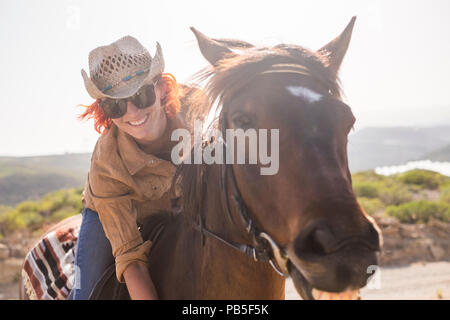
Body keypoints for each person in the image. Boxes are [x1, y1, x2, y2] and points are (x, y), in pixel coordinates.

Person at [72, 36, 187, 300]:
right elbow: (131, 259)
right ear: (104, 110)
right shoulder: (106, 164)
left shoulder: (196, 111)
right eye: (116, 104)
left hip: (176, 203)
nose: (133, 113)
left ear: (161, 88)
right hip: (109, 213)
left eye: (142, 95)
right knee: (85, 293)